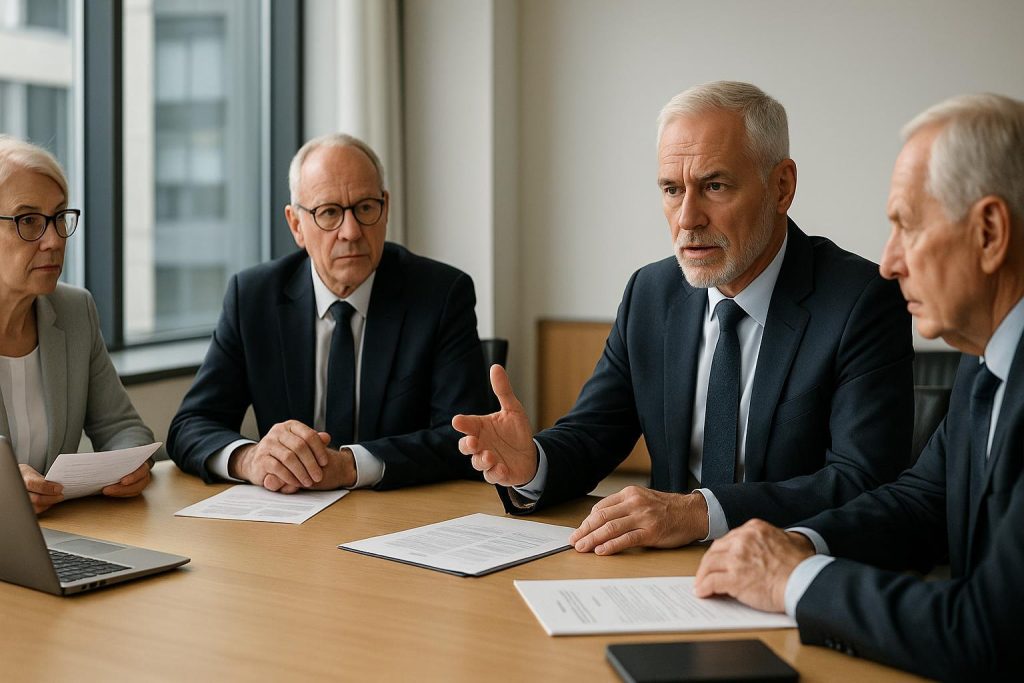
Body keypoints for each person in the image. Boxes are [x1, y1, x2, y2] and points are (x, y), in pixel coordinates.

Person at [454, 81, 913, 554]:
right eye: (673, 190)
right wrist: (533, 463)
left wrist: (697, 512)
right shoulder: (651, 293)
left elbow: (864, 482)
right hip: (659, 573)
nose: (688, 218)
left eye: (714, 186)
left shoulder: (861, 300)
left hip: (784, 569)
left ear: (781, 187)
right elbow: (595, 432)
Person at [693, 93, 1024, 679]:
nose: (890, 262)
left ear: (990, 233)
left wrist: (792, 580)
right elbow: (921, 503)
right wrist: (796, 545)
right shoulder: (985, 357)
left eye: (907, 226)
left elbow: (988, 631)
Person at [168, 134, 490, 492]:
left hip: (397, 518)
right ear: (296, 225)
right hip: (287, 522)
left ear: (385, 208)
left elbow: (465, 438)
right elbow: (190, 425)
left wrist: (351, 466)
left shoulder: (441, 295)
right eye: (329, 213)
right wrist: (251, 459)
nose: (351, 232)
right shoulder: (254, 297)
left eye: (366, 208)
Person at [0, 135, 156, 514]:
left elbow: (123, 428)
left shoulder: (74, 310)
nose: (53, 240)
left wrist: (131, 464)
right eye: (29, 221)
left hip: (64, 537)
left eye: (59, 217)